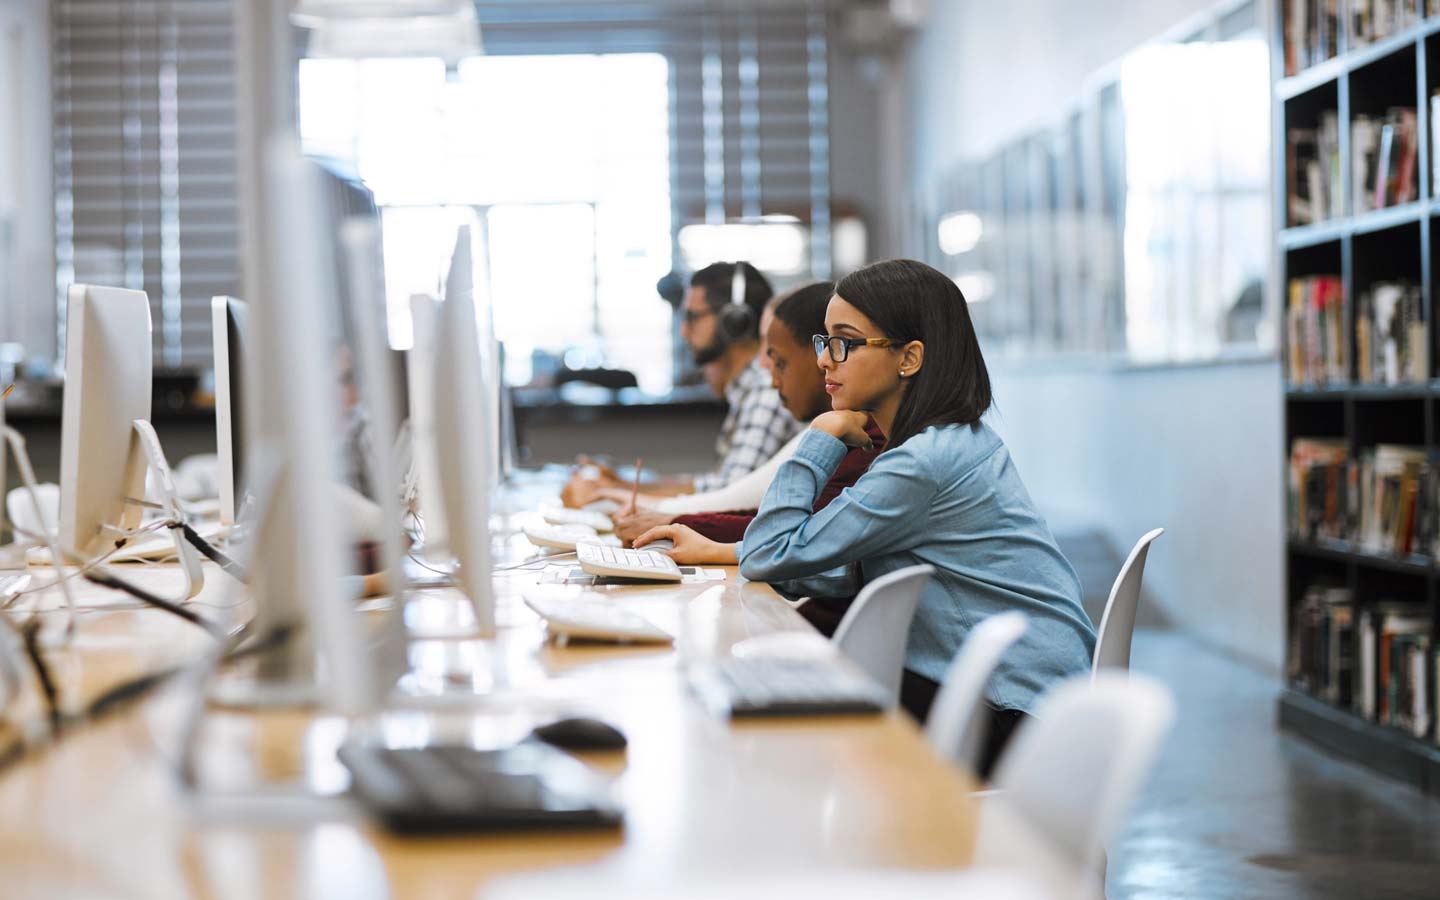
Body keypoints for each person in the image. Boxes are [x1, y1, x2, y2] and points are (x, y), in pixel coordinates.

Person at [636, 259, 1096, 776]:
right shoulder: (945, 442)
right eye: (824, 341)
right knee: (776, 694)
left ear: (909, 358)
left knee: (778, 725)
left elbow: (773, 553)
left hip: (1013, 712)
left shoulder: (921, 463)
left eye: (845, 343)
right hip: (1030, 695)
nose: (825, 362)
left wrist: (821, 436)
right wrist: (728, 552)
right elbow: (850, 564)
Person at [612, 281, 882, 569]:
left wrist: (671, 521)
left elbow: (792, 538)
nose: (824, 360)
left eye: (841, 345)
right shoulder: (849, 427)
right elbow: (785, 529)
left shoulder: (868, 440)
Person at [563, 262, 801, 505]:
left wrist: (615, 491)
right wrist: (621, 484)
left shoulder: (766, 391)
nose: (683, 331)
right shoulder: (748, 391)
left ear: (734, 322)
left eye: (693, 317)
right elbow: (715, 485)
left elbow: (727, 497)